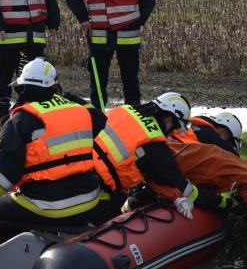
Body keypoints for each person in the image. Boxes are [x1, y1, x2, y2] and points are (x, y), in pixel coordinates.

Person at [0, 58, 103, 236]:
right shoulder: (80, 110)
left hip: (48, 204)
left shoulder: (21, 120)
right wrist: (72, 98)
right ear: (55, 88)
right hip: (89, 198)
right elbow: (100, 119)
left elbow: (3, 173)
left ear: (21, 88)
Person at [90, 91, 225, 220]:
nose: (171, 134)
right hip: (95, 189)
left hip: (82, 168)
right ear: (169, 120)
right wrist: (221, 202)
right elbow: (181, 186)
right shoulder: (154, 144)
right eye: (174, 128)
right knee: (113, 224)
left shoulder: (124, 109)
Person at [167, 105, 244, 157]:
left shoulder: (194, 125)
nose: (225, 142)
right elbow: (233, 157)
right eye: (228, 141)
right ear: (223, 131)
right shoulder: (209, 133)